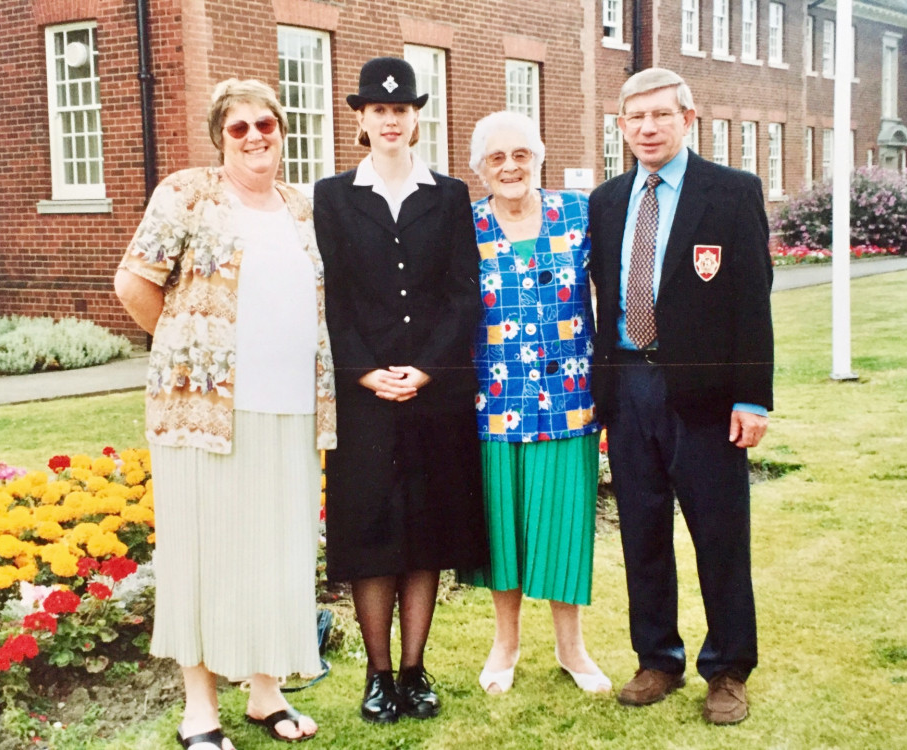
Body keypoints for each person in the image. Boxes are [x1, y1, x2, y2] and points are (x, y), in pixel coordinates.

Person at [114, 78, 336, 749]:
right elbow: (134, 284)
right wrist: (187, 351)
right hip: (205, 418)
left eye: (265, 124)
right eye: (238, 128)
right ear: (220, 137)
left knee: (278, 551)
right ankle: (200, 713)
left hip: (291, 410)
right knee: (204, 556)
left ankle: (265, 695)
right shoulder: (186, 193)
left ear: (282, 131)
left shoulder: (301, 207)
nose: (254, 137)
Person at [589, 67, 774, 725]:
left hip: (704, 396)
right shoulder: (607, 201)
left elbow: (752, 304)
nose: (647, 128)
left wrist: (752, 399)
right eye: (635, 118)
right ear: (621, 126)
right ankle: (657, 660)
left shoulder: (730, 193)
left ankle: (727, 669)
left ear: (687, 119)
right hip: (628, 391)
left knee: (719, 536)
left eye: (661, 116)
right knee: (641, 532)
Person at [313, 58, 487, 725]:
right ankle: (378, 676)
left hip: (432, 394)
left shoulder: (448, 195)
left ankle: (415, 671)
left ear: (418, 117)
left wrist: (429, 369)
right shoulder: (332, 196)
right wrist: (361, 368)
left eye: (402, 110)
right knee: (372, 532)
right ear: (360, 117)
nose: (390, 120)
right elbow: (332, 295)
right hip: (365, 396)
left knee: (426, 531)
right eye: (378, 110)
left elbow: (462, 294)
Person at [458, 111, 610, 695]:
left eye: (521, 154)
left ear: (539, 158)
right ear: (479, 169)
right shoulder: (465, 224)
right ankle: (507, 643)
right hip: (493, 400)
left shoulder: (577, 213)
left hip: (569, 400)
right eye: (496, 158)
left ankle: (572, 649)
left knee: (564, 526)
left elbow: (618, 289)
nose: (510, 167)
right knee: (504, 533)